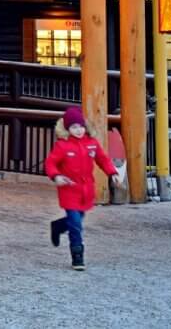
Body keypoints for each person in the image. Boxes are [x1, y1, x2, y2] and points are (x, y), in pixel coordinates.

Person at [44, 106, 122, 271]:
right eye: (73, 127)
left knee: (77, 218)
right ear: (67, 129)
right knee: (76, 224)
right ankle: (77, 256)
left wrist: (112, 173)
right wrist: (56, 176)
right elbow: (50, 163)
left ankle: (58, 226)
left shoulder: (92, 144)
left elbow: (103, 159)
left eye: (80, 126)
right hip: (69, 187)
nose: (78, 130)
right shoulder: (62, 146)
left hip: (86, 189)